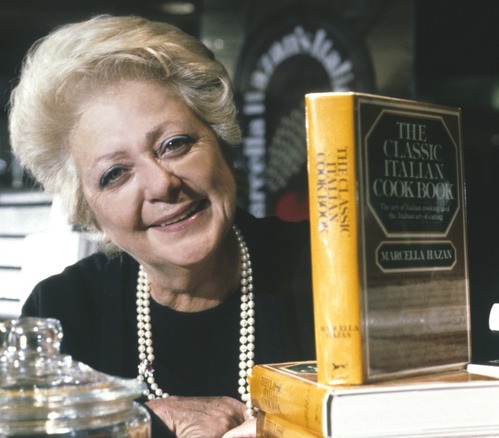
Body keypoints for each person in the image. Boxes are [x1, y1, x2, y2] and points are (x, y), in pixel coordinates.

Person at [8, 15, 315, 437]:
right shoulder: (64, 311)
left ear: (222, 144)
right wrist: (141, 420)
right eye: (115, 174)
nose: (161, 184)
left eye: (174, 144)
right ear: (91, 215)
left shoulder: (324, 269)